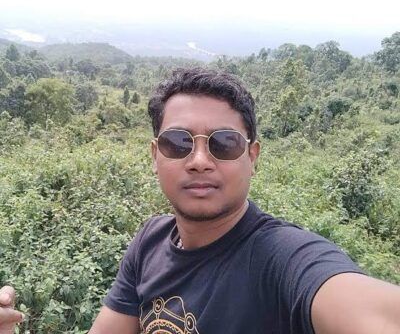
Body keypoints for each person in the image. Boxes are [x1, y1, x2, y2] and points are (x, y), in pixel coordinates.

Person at [1, 68, 400, 334]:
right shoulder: (150, 241)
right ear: (155, 155)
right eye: (178, 143)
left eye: (224, 143)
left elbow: (363, 307)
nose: (199, 161)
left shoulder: (283, 260)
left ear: (253, 157)